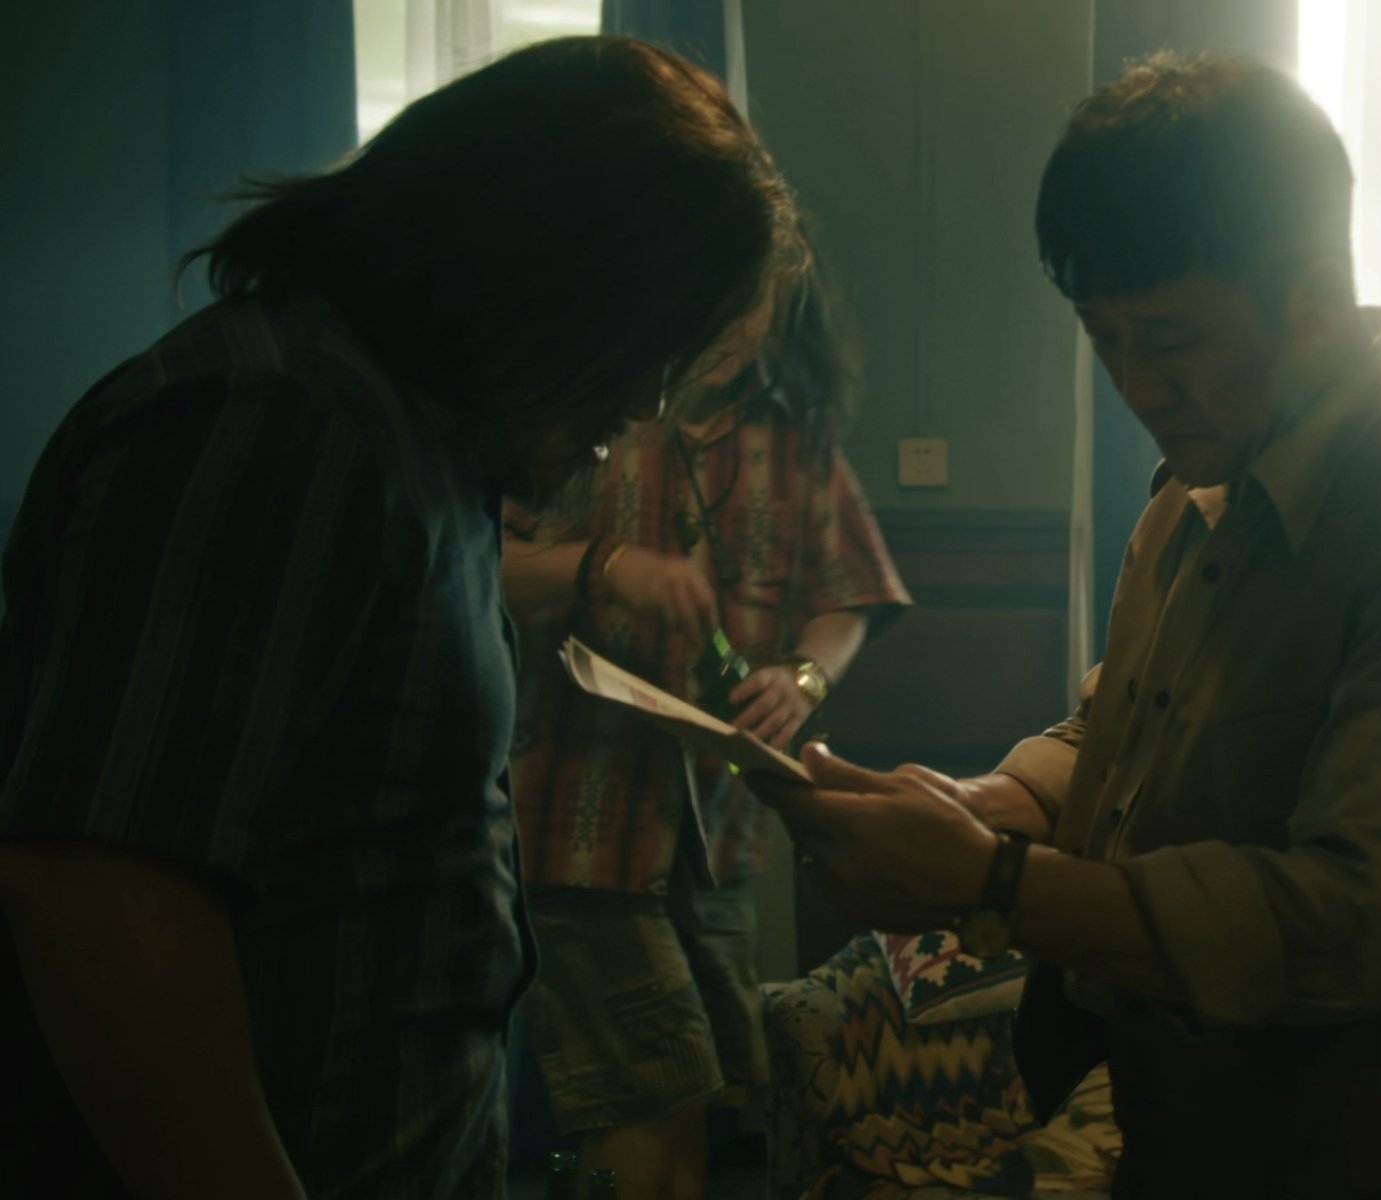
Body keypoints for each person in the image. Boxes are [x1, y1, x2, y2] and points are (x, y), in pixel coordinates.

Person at [757, 52, 1381, 1198]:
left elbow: (1343, 925)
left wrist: (996, 881)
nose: (1135, 386)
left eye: (1168, 340)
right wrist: (983, 805)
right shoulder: (1198, 488)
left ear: (1314, 300)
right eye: (1100, 338)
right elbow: (1117, 735)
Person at [0, 37, 792, 1199]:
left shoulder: (427, 452)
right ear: (549, 274)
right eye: (645, 348)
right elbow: (104, 893)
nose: (645, 403)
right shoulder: (280, 419)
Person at [500, 255, 910, 1200]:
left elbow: (850, 597)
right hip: (581, 836)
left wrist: (802, 677)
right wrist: (604, 566)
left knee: (717, 1103)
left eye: (756, 298)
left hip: (717, 844)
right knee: (654, 1095)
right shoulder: (584, 414)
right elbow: (478, 562)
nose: (737, 323)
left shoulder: (793, 434)